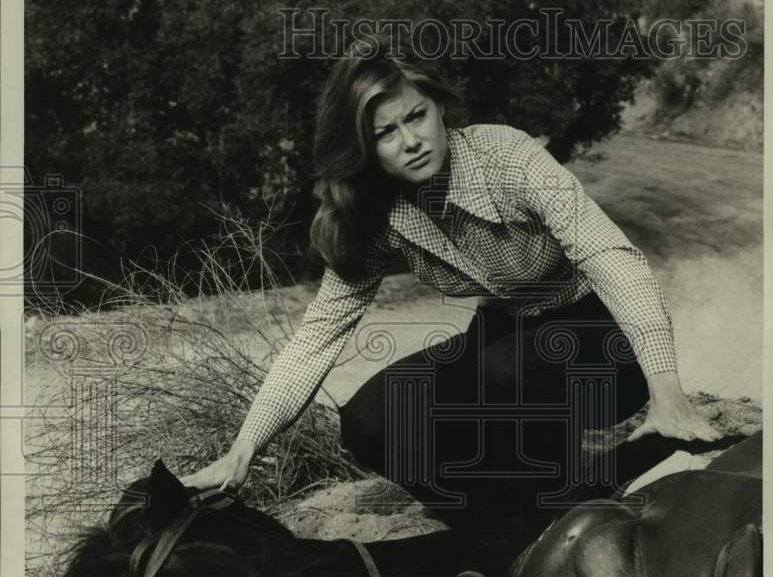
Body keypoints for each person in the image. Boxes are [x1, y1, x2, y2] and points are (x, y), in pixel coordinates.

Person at [183, 33, 718, 543]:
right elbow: (317, 336)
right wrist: (244, 447)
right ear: (365, 149)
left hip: (600, 335)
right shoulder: (378, 210)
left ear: (440, 108)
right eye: (385, 134)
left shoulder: (507, 158)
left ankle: (553, 508)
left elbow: (611, 257)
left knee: (501, 374)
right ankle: (499, 528)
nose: (410, 142)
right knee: (370, 419)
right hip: (505, 337)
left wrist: (666, 392)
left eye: (416, 116)